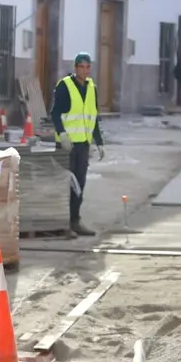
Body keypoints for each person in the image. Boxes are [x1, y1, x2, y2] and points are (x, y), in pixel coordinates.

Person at [50, 52, 106, 237]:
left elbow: (94, 117)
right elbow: (55, 113)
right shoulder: (64, 86)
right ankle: (62, 223)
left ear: (90, 68)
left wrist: (99, 142)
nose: (84, 70)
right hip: (67, 145)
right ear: (75, 68)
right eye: (80, 66)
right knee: (65, 183)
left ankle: (75, 220)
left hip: (83, 144)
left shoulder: (91, 88)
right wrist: (62, 133)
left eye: (87, 66)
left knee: (79, 184)